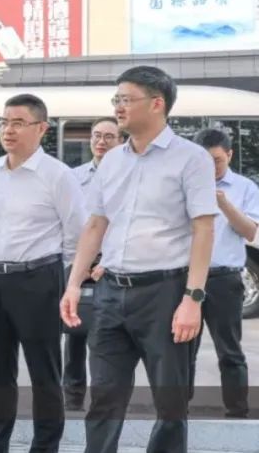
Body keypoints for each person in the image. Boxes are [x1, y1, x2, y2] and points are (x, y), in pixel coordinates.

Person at [61, 66, 215, 453]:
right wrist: (74, 284)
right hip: (111, 293)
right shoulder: (113, 161)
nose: (118, 107)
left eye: (126, 99)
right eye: (116, 100)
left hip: (166, 293)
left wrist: (193, 299)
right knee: (104, 398)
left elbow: (203, 229)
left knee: (170, 403)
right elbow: (96, 225)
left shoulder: (191, 159)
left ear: (157, 103)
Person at [0, 94, 86, 453]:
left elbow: (77, 234)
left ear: (41, 128)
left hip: (39, 280)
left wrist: (61, 279)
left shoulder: (58, 175)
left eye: (18, 123)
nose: (8, 130)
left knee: (44, 371)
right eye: (4, 122)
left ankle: (45, 445)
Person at [190, 127, 253, 418]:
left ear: (229, 154)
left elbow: (250, 231)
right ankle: (177, 410)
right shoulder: (185, 183)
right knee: (182, 349)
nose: (211, 167)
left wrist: (224, 204)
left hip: (224, 279)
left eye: (216, 160)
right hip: (186, 278)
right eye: (204, 161)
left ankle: (237, 411)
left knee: (229, 350)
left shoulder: (244, 187)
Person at [64, 117, 123, 411]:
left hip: (113, 266)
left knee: (108, 334)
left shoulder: (127, 176)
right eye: (97, 136)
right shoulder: (74, 177)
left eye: (109, 137)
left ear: (121, 141)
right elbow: (67, 222)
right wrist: (76, 264)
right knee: (75, 330)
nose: (101, 142)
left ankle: (105, 397)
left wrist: (108, 261)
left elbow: (125, 224)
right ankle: (72, 394)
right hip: (78, 263)